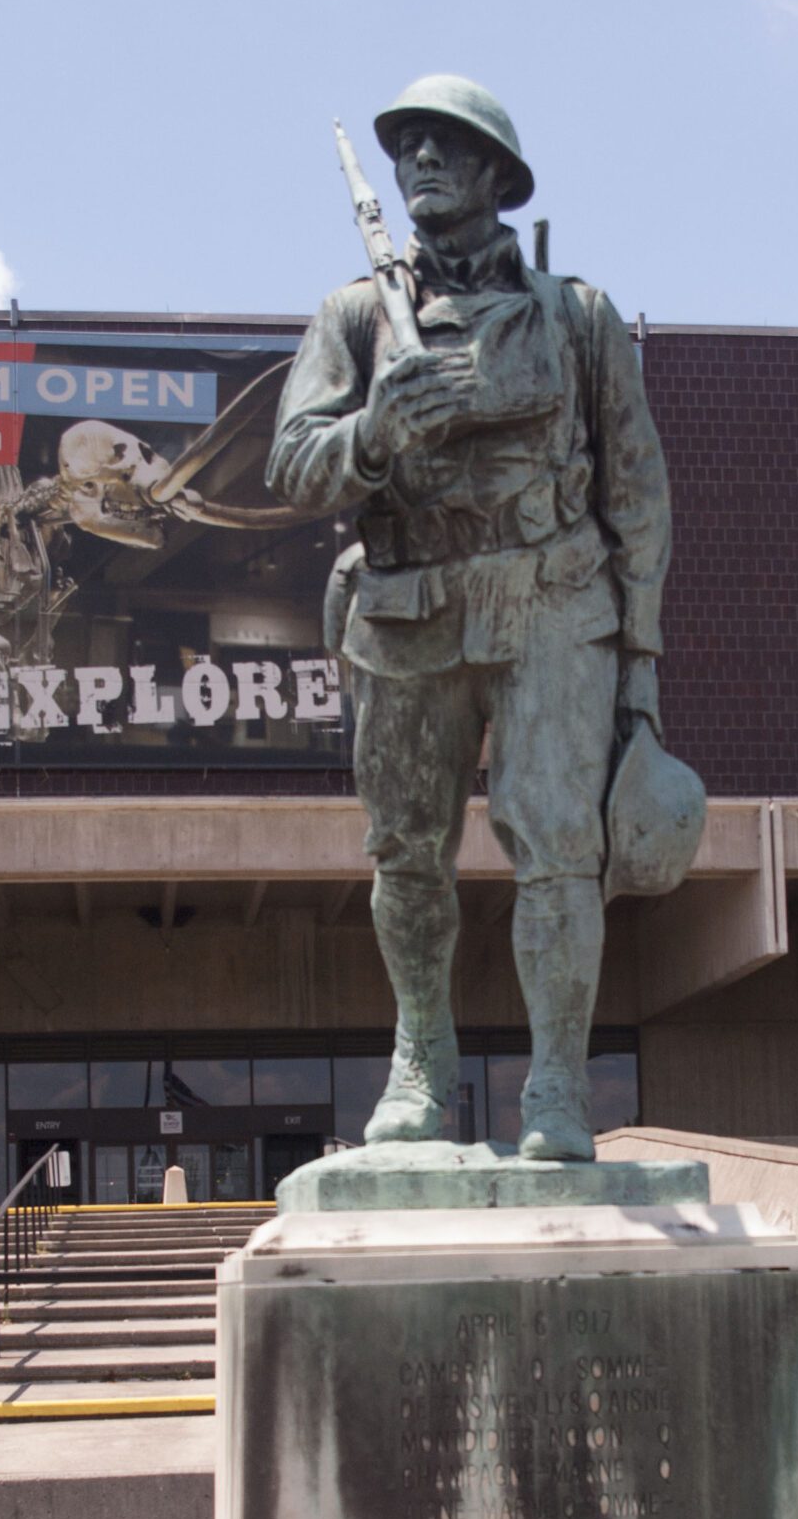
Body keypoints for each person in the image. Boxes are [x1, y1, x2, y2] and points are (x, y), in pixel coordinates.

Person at [267, 75, 671, 1161]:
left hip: (551, 599)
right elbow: (290, 464)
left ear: (498, 173)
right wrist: (374, 431)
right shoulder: (354, 314)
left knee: (555, 847)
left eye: (449, 147)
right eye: (409, 150)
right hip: (406, 605)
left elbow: (635, 493)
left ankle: (554, 1086)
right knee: (404, 852)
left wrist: (640, 666)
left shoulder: (576, 316)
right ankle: (419, 1059)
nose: (424, 165)